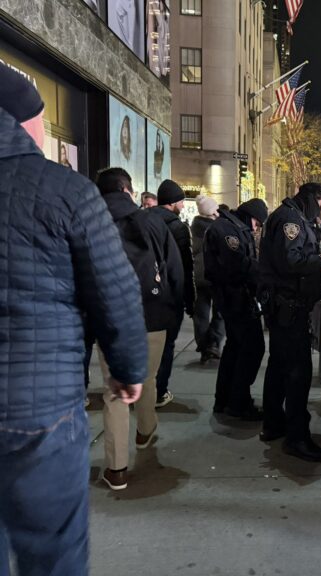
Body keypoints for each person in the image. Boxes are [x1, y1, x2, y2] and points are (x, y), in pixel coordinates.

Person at [0, 67, 147, 574]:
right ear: (24, 124)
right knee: (53, 548)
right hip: (38, 405)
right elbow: (114, 290)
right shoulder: (66, 191)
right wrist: (128, 370)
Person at [96, 168, 184, 490]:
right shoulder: (153, 222)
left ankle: (117, 468)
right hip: (153, 314)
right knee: (147, 377)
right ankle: (145, 430)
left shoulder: (93, 222)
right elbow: (174, 270)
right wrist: (175, 311)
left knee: (115, 391)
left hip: (112, 320)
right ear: (127, 189)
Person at [259, 183, 321, 461]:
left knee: (278, 367)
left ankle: (274, 423)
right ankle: (296, 438)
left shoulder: (290, 216)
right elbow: (291, 261)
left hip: (284, 306)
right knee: (298, 372)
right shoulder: (291, 220)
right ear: (310, 199)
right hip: (289, 308)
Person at [204, 198, 268, 420]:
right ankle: (238, 402)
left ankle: (225, 399)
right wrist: (264, 274)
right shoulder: (226, 230)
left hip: (234, 298)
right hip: (234, 298)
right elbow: (238, 263)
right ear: (250, 216)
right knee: (252, 348)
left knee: (235, 348)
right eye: (257, 223)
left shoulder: (233, 227)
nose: (256, 228)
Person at [150, 179, 195, 407]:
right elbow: (185, 267)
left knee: (146, 344)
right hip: (169, 295)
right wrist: (190, 299)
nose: (183, 206)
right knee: (166, 345)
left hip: (145, 293)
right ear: (173, 202)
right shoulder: (177, 227)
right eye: (181, 201)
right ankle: (159, 391)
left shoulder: (142, 221)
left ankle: (144, 389)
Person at [192, 196, 225, 363]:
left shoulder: (193, 227)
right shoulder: (216, 228)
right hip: (215, 274)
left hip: (198, 275)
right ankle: (213, 342)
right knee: (220, 311)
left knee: (201, 313)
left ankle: (203, 344)